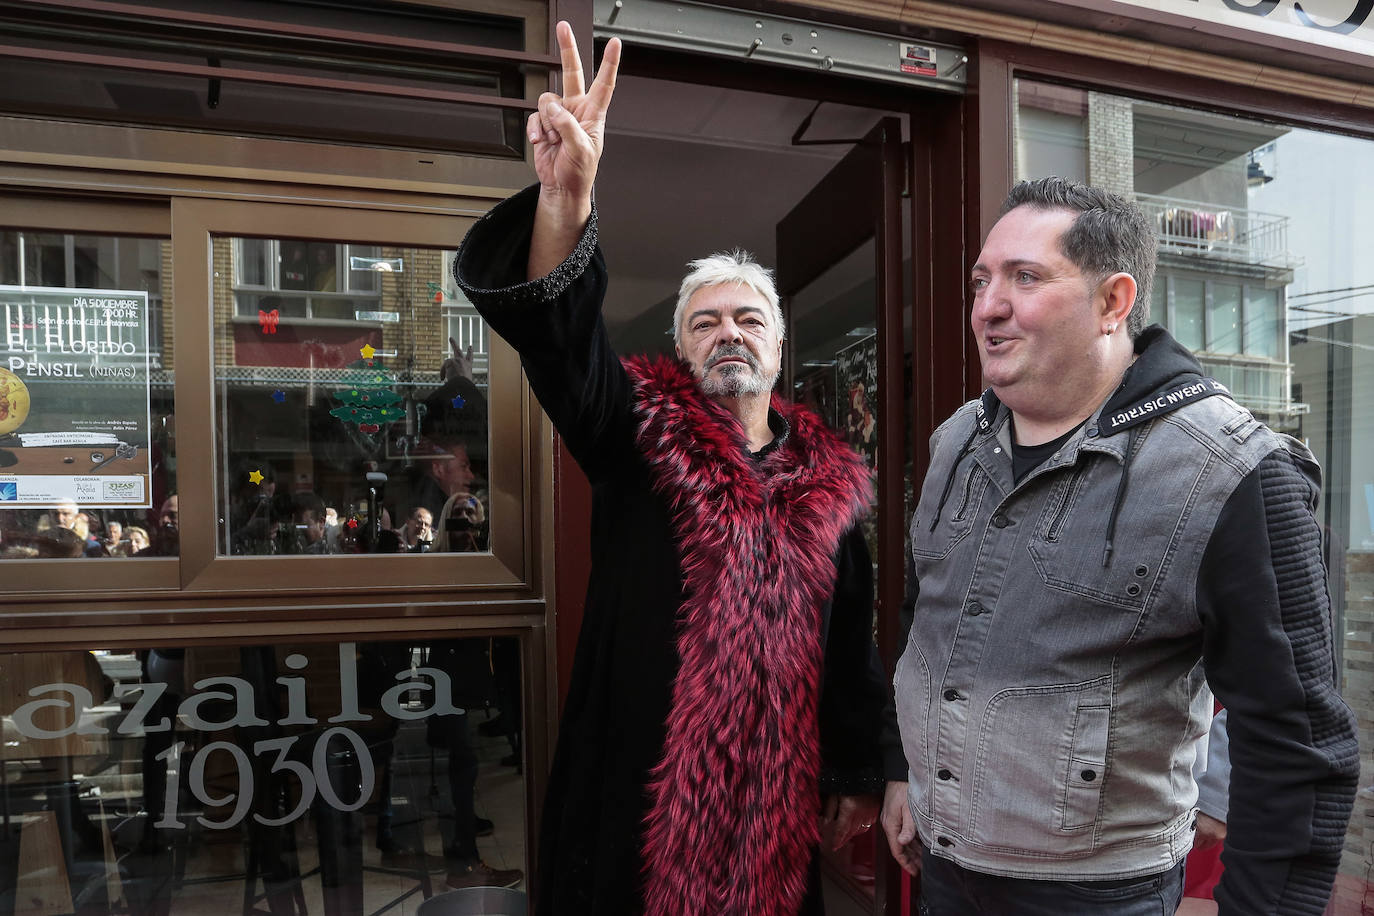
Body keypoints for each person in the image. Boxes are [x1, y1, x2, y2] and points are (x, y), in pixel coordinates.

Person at [453, 22, 899, 915]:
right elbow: (563, 345)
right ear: (681, 348)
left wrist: (858, 767)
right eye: (704, 322)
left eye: (747, 318)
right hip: (650, 790)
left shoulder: (832, 482)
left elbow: (852, 640)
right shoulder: (634, 429)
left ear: (781, 344)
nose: (728, 332)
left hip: (778, 798)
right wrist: (567, 202)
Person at [883, 177, 1358, 915]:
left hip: (1097, 898)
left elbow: (1298, 749)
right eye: (982, 280)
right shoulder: (954, 444)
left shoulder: (1229, 472)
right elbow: (928, 624)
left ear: (1114, 302)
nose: (988, 306)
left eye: (1026, 278)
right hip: (944, 871)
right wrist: (901, 771)